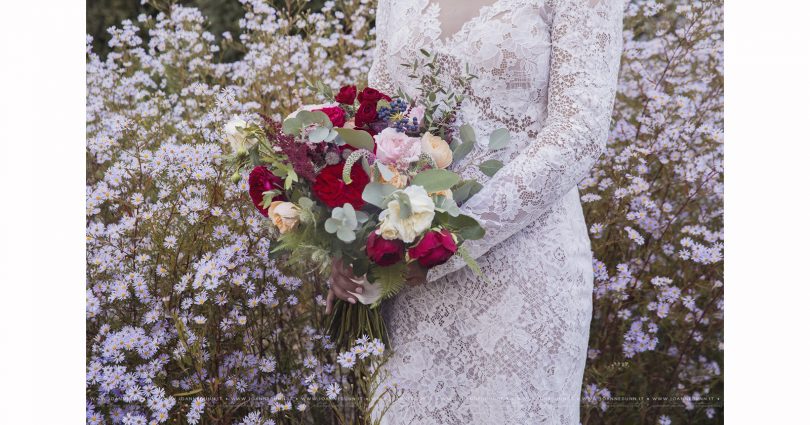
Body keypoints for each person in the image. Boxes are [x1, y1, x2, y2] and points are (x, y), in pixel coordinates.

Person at [329, 0, 624, 422]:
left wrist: (447, 242)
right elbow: (379, 116)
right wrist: (351, 237)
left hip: (521, 271)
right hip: (406, 277)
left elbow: (578, 134)